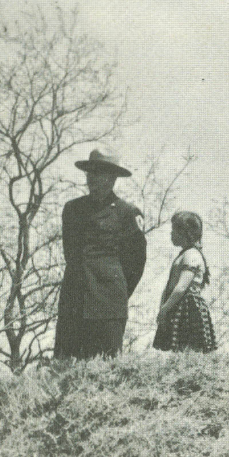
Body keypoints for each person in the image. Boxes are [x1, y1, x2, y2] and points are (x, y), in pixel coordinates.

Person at [53, 149, 147, 360]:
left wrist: (115, 293)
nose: (92, 178)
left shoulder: (127, 213)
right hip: (74, 301)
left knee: (105, 368)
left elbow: (136, 263)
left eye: (99, 173)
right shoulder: (72, 209)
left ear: (113, 178)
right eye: (89, 173)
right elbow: (71, 254)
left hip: (108, 307)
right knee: (65, 367)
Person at [153, 211, 217, 353]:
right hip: (177, 305)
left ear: (186, 233)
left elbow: (181, 287)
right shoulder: (183, 254)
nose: (171, 234)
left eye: (174, 230)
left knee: (189, 348)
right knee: (178, 348)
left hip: (188, 307)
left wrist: (165, 309)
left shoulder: (192, 255)